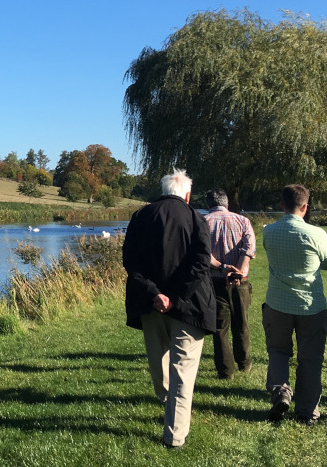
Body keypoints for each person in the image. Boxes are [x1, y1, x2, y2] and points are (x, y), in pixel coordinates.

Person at [122, 169, 222, 448]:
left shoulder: (141, 216)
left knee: (160, 365)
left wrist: (157, 294)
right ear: (187, 194)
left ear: (164, 190)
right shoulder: (196, 219)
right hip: (189, 305)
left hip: (151, 304)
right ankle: (175, 430)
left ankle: (173, 428)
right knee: (183, 369)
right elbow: (201, 264)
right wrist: (174, 297)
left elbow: (131, 261)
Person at [261, 184, 327, 424]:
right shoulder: (316, 234)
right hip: (310, 306)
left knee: (278, 351)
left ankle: (281, 392)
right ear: (305, 207)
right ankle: (307, 412)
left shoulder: (268, 232)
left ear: (282, 205)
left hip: (277, 303)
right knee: (310, 358)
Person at [203, 189, 256, 379]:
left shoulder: (202, 222)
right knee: (242, 323)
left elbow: (202, 253)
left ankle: (226, 371)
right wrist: (239, 272)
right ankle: (244, 364)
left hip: (214, 281)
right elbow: (249, 248)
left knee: (220, 327)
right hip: (240, 282)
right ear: (226, 203)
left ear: (208, 204)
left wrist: (222, 267)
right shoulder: (243, 221)